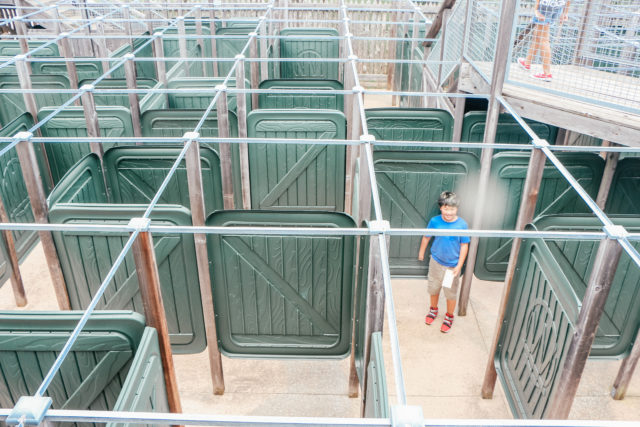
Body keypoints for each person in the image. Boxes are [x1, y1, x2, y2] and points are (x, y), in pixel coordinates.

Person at [417, 191, 470, 333]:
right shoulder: (435, 221)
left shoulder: (462, 225)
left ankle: (449, 316)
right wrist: (421, 252)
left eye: (452, 209)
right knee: (434, 287)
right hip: (436, 262)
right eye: (446, 208)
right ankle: (433, 309)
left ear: (457, 209)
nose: (449, 212)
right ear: (441, 207)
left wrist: (459, 265)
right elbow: (426, 237)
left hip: (451, 266)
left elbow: (464, 245)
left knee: (449, 292)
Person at [517, 0, 570, 82]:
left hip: (546, 6)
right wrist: (565, 12)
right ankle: (527, 62)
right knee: (538, 34)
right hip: (558, 6)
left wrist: (536, 9)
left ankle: (547, 73)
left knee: (543, 39)